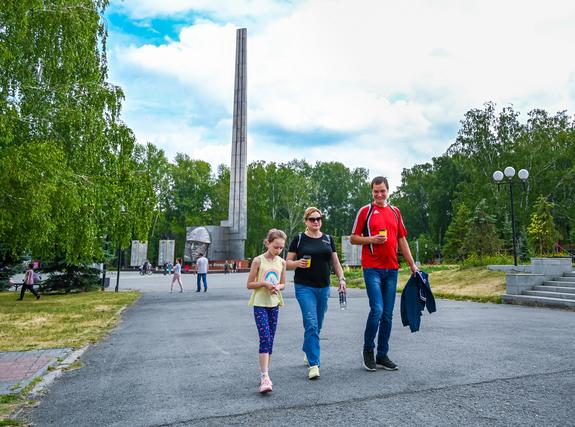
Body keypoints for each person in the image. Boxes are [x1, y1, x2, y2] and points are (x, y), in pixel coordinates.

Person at [350, 176, 418, 372]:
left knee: (388, 315)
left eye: (382, 191)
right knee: (377, 310)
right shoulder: (366, 211)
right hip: (372, 268)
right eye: (375, 191)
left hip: (392, 269)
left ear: (388, 191)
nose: (379, 194)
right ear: (371, 192)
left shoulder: (395, 212)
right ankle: (368, 350)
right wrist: (371, 239)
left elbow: (402, 240)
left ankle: (382, 355)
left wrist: (413, 265)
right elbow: (353, 238)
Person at [286, 207, 346, 380]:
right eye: (312, 219)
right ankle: (314, 364)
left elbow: (335, 262)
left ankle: (308, 348)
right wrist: (298, 263)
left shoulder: (328, 239)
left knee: (317, 324)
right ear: (306, 221)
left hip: (323, 287)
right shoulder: (299, 239)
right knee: (311, 323)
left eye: (319, 218)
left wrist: (341, 278)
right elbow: (287, 263)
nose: (316, 222)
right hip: (304, 287)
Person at [247, 229, 287, 393]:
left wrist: (278, 286)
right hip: (260, 303)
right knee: (264, 337)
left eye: (281, 248)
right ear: (268, 243)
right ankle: (265, 377)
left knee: (270, 339)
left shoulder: (282, 262)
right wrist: (264, 284)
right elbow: (249, 284)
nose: (278, 250)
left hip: (274, 303)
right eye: (275, 246)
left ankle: (265, 373)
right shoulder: (258, 261)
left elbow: (283, 283)